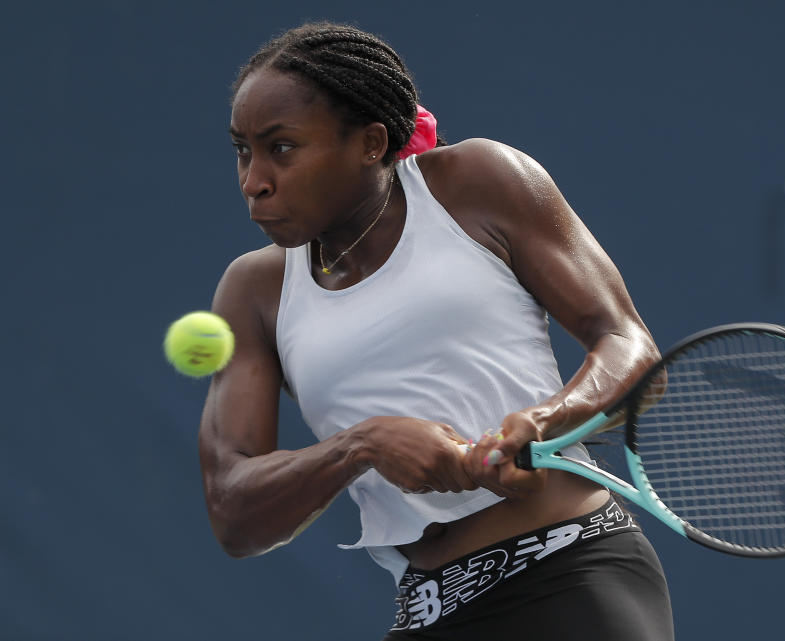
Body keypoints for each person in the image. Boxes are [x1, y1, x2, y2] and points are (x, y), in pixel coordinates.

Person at [199, 21, 674, 640]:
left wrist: (546, 421)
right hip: (426, 612)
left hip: (572, 576)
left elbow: (630, 348)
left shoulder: (478, 182)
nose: (254, 180)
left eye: (281, 148)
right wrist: (361, 446)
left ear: (371, 143)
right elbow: (235, 514)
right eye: (243, 150)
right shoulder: (252, 293)